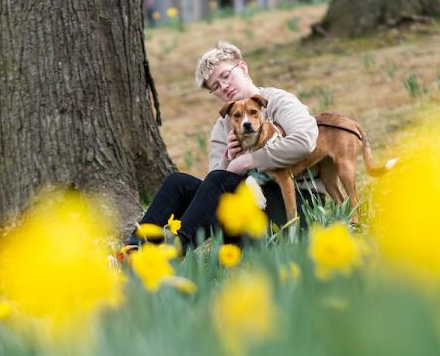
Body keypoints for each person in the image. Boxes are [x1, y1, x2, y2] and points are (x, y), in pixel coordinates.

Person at [125, 41, 323, 250]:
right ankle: (133, 248)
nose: (224, 87)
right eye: (215, 87)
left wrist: (250, 160)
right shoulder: (223, 127)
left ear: (243, 68)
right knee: (177, 182)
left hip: (292, 203)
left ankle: (174, 250)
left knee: (221, 180)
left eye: (226, 76)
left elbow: (305, 141)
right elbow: (212, 186)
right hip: (247, 210)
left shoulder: (278, 101)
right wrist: (229, 158)